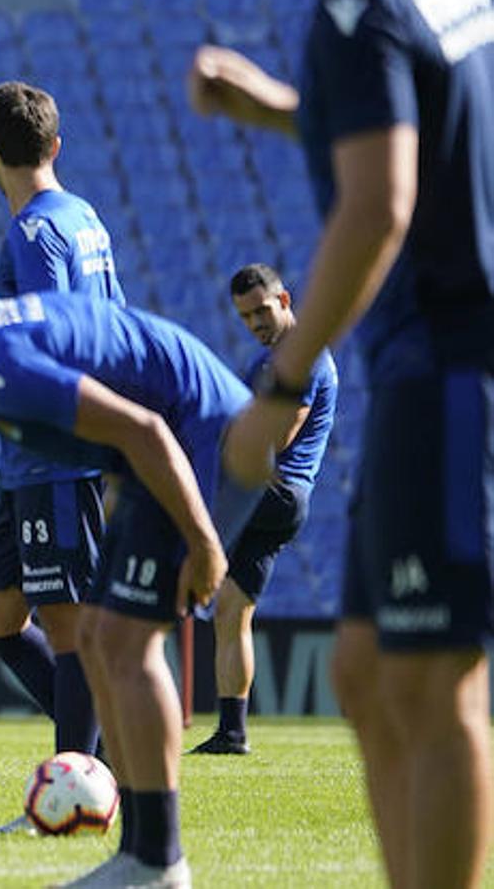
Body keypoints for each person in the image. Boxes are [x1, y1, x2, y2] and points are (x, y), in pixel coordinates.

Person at [191, 0, 494, 883]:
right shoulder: (447, 0)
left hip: (445, 361)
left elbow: (377, 206)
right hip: (427, 366)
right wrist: (282, 111)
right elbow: (416, 144)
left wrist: (280, 383)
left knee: (429, 686)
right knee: (364, 672)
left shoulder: (358, 11)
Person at [0, 291, 264, 888]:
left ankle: (158, 860)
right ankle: (141, 853)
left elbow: (144, 425)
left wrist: (204, 540)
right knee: (99, 637)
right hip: (163, 453)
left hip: (204, 438)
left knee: (128, 645)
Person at [0, 82, 126, 781]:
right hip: (27, 459)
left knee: (67, 629)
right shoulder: (85, 218)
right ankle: (96, 755)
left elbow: (53, 334)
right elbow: (114, 322)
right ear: (54, 145)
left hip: (54, 453)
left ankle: (78, 786)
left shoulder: (34, 229)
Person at [190, 265, 336, 756]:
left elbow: (274, 440)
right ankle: (233, 732)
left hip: (273, 490)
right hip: (276, 498)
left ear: (285, 300)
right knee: (231, 612)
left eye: (261, 311)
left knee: (166, 509)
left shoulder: (302, 361)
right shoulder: (267, 361)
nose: (255, 323)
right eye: (245, 316)